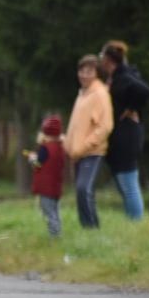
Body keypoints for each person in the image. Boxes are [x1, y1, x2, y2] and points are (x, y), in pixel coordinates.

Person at [100, 40, 149, 220]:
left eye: (102, 57)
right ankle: (132, 221)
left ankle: (136, 224)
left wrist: (131, 108)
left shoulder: (124, 76)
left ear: (108, 60)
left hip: (127, 136)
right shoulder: (115, 77)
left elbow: (144, 90)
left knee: (129, 184)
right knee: (123, 183)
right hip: (119, 137)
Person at [64, 54, 113, 228]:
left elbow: (105, 126)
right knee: (81, 192)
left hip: (92, 152)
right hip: (78, 153)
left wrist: (85, 146)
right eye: (82, 71)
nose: (84, 75)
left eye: (89, 71)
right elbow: (76, 126)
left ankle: (93, 228)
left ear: (97, 73)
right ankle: (86, 229)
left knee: (84, 189)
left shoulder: (100, 94)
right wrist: (69, 145)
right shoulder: (82, 94)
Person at [25, 114, 66, 237]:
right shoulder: (60, 147)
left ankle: (55, 236)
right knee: (55, 211)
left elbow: (38, 164)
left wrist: (31, 158)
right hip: (56, 187)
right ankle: (58, 233)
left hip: (46, 188)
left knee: (49, 212)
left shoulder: (45, 148)